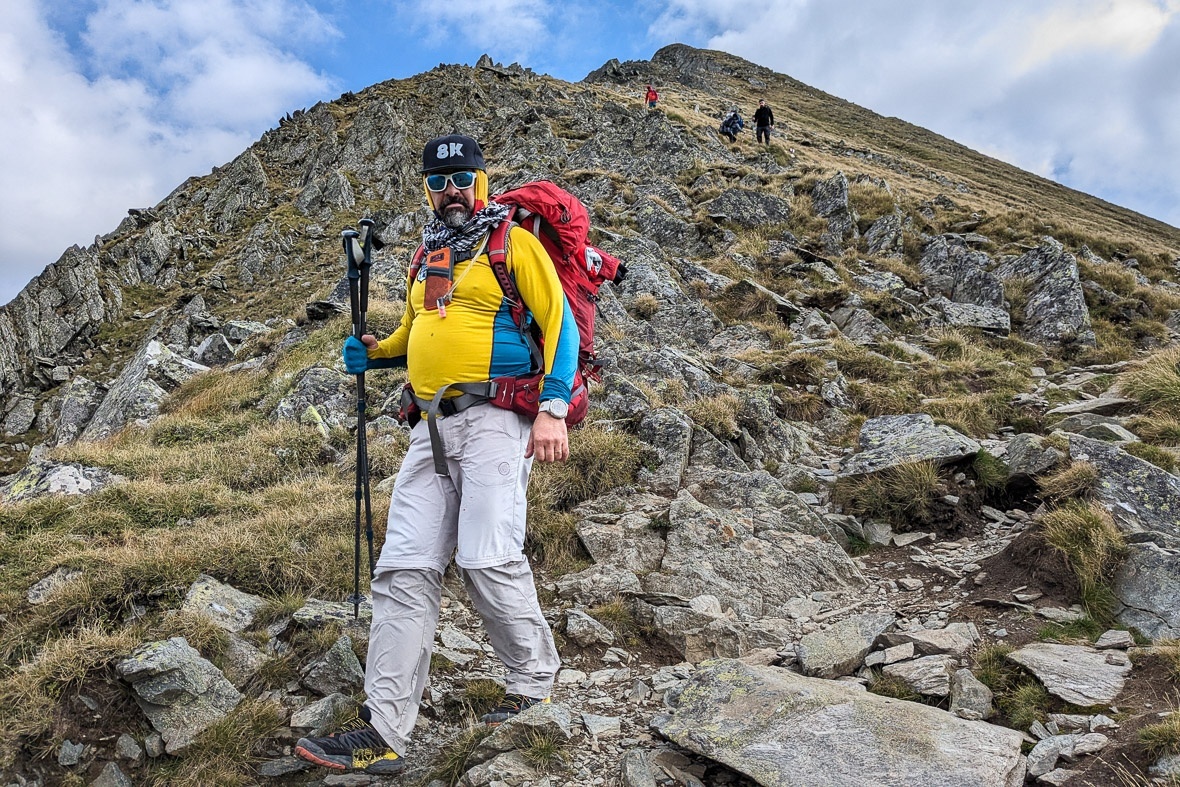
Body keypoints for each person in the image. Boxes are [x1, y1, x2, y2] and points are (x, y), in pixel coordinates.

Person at [295, 134, 573, 776]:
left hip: (497, 418)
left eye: (463, 179)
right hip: (429, 427)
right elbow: (414, 330)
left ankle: (533, 683)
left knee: (486, 556)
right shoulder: (427, 257)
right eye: (439, 181)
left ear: (481, 181)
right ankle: (384, 730)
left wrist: (553, 408)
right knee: (403, 568)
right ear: (427, 189)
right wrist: (377, 353)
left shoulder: (513, 244)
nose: (452, 191)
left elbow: (557, 322)